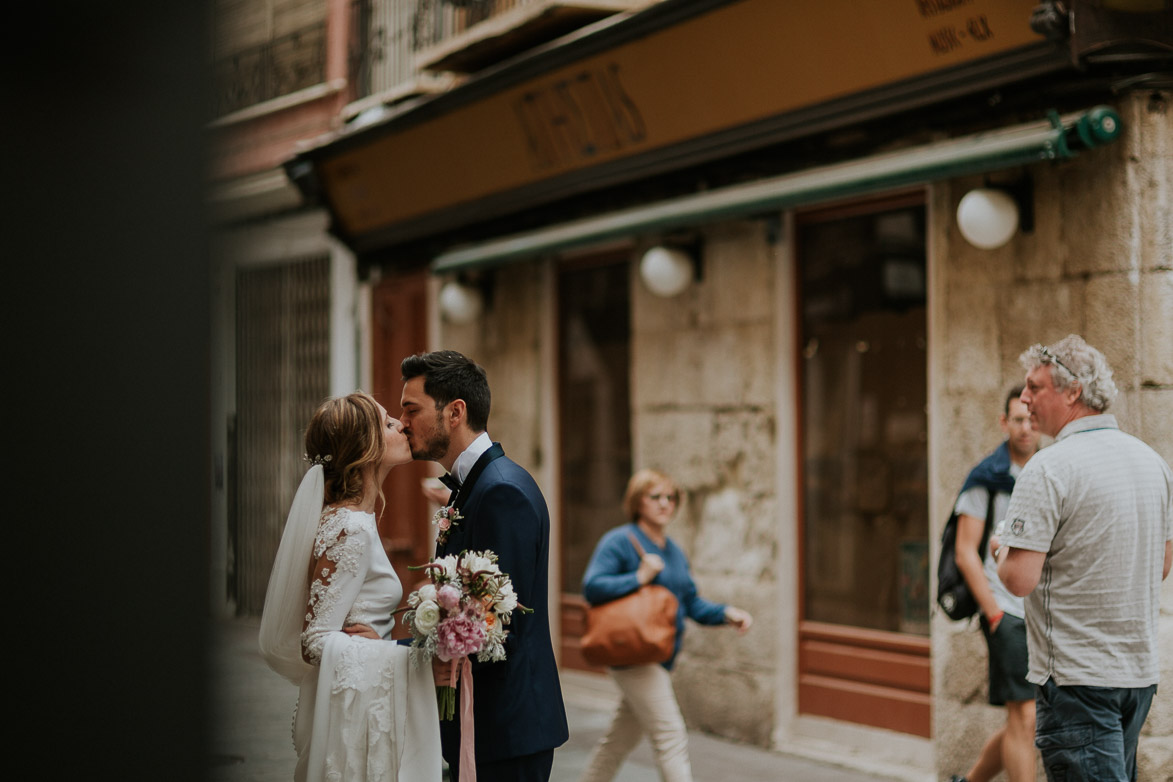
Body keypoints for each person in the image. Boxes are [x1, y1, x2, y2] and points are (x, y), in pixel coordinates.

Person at [994, 335, 1173, 782]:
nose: (1025, 398)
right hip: (1137, 677)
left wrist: (1002, 549)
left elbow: (1018, 580)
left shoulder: (1048, 467)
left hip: (1076, 680)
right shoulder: (1152, 462)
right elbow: (1162, 565)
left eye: (1035, 387)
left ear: (1073, 391)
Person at [398, 350, 569, 781]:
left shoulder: (501, 492)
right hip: (489, 724)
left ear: (455, 412)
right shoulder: (476, 486)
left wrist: (386, 654)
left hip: (504, 727)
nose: (402, 422)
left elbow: (493, 628)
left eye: (411, 409)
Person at [258, 392, 442, 782]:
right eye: (389, 423)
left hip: (361, 701)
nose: (402, 425)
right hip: (357, 718)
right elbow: (315, 640)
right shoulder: (350, 527)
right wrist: (386, 653)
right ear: (366, 448)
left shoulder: (353, 519)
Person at [578, 469, 754, 782]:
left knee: (618, 741)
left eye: (671, 497)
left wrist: (727, 613)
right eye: (655, 497)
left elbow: (691, 603)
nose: (665, 504)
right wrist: (639, 577)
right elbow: (593, 586)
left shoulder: (673, 551)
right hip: (633, 655)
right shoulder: (619, 541)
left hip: (658, 656)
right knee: (671, 735)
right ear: (638, 502)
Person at [945, 387, 1040, 782]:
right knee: (1026, 714)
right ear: (1004, 423)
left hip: (1039, 612)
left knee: (1027, 718)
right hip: (1005, 609)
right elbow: (966, 553)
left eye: (1031, 418)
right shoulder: (985, 477)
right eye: (1017, 419)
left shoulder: (1047, 470)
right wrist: (994, 612)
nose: (1025, 427)